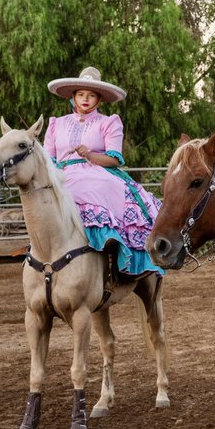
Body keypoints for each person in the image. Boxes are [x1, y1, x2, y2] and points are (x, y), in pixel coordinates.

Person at [44, 67, 163, 278]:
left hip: (97, 170)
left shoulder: (108, 122)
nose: (85, 99)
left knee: (93, 186)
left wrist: (89, 154)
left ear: (99, 99)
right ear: (73, 97)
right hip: (61, 173)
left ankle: (109, 252)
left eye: (91, 95)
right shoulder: (56, 124)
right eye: (81, 94)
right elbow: (47, 160)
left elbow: (113, 159)